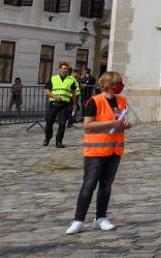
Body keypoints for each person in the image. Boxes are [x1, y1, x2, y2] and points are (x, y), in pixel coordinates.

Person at [68, 71, 129, 234]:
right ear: (110, 85)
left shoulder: (121, 101)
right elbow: (88, 125)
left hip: (115, 149)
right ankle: (78, 220)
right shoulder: (94, 101)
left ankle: (101, 217)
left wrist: (124, 124)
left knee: (106, 186)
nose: (121, 86)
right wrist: (112, 123)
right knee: (89, 184)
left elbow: (122, 120)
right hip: (96, 150)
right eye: (118, 83)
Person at [44, 61, 78, 148]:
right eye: (64, 68)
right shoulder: (53, 78)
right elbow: (46, 91)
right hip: (53, 103)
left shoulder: (71, 80)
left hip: (65, 105)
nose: (65, 70)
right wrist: (55, 97)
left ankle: (59, 142)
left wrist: (74, 104)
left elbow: (73, 93)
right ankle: (48, 137)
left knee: (62, 124)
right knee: (49, 123)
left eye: (67, 69)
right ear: (60, 69)